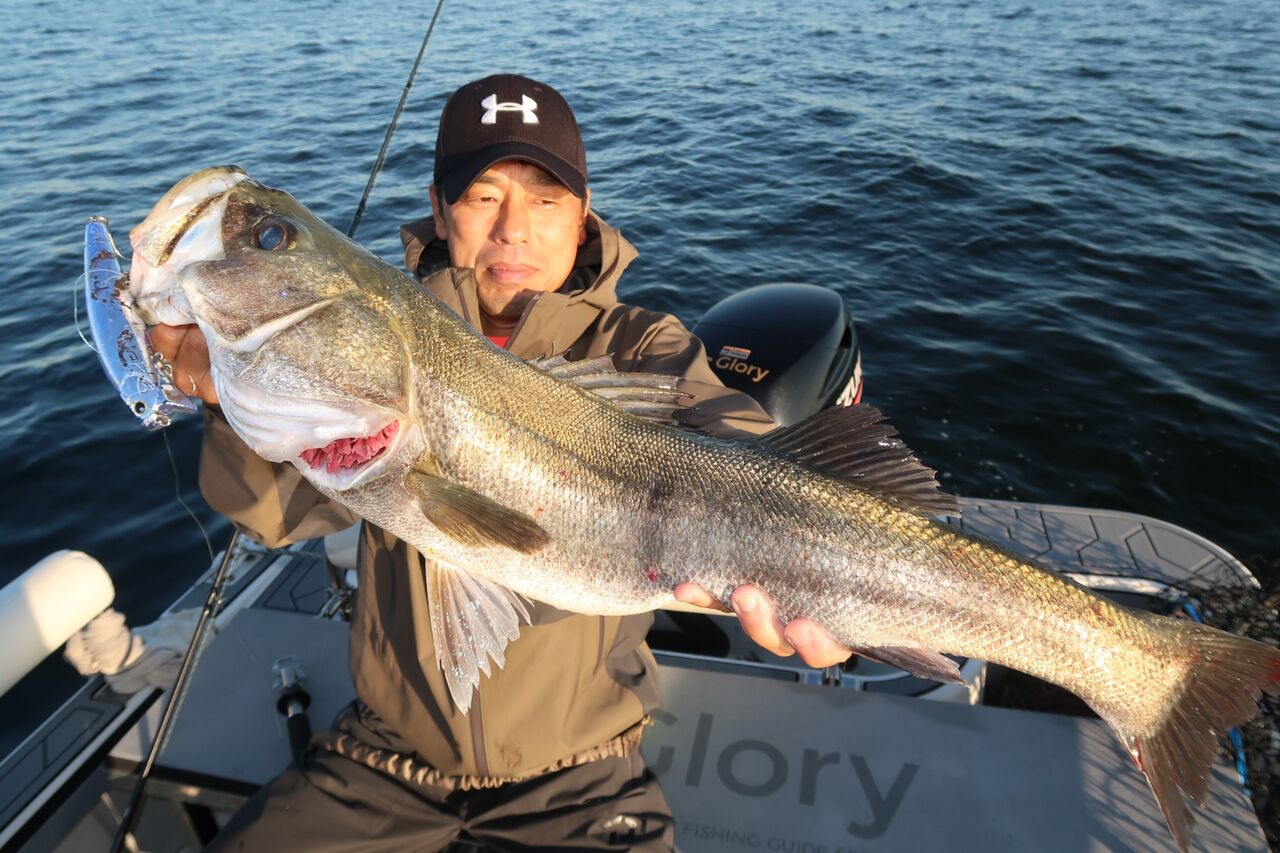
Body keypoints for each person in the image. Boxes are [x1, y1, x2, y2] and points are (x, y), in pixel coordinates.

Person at [154, 73, 851, 851]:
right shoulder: (375, 334)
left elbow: (737, 442)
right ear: (440, 209)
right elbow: (277, 513)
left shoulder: (642, 346)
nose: (513, 230)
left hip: (582, 768)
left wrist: (827, 565)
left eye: (545, 199)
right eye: (483, 197)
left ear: (582, 214)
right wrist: (224, 400)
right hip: (384, 756)